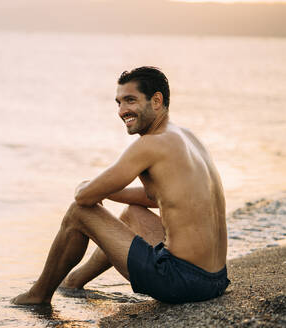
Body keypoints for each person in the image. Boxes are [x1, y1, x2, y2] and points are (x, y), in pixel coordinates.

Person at [11, 66, 229, 305]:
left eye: (130, 100)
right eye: (118, 103)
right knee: (132, 215)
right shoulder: (186, 136)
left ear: (156, 100)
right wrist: (113, 193)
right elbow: (166, 198)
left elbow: (84, 198)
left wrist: (84, 187)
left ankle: (38, 295)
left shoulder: (151, 144)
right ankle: (73, 282)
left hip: (182, 282)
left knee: (78, 213)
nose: (122, 111)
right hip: (215, 279)